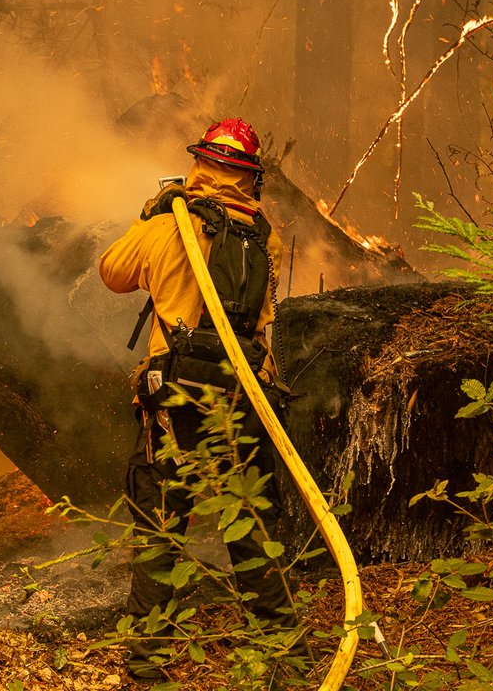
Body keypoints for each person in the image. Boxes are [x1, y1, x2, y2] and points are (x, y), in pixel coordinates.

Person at [98, 118, 304, 682]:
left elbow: (112, 272)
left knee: (161, 528)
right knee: (253, 522)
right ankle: (285, 658)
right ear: (250, 177)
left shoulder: (168, 224)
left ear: (200, 164)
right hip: (242, 395)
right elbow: (262, 320)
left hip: (175, 398)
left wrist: (149, 217)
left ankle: (148, 666)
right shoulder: (264, 237)